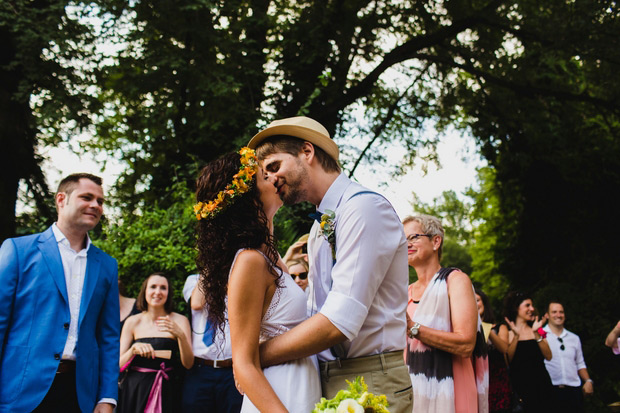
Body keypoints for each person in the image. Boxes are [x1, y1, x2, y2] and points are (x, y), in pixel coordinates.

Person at [248, 116, 413, 412]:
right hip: (326, 379)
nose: (270, 179)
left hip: (370, 380)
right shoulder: (319, 226)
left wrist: (251, 358)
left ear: (307, 152)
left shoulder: (364, 208)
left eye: (274, 166)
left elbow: (339, 321)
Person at [194, 148, 321, 412]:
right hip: (277, 393)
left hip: (302, 382)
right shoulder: (250, 261)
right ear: (249, 199)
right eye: (265, 176)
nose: (275, 178)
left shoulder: (271, 257)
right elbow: (243, 365)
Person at [0, 173, 119, 413]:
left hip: (79, 395)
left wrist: (107, 397)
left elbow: (108, 338)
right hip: (20, 392)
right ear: (61, 199)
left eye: (100, 201)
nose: (96, 205)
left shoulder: (107, 265)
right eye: (87, 197)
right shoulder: (18, 250)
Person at [404, 214, 488, 413]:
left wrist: (413, 328)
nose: (407, 244)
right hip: (414, 392)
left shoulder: (456, 281)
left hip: (453, 391)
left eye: (413, 237)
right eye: (402, 239)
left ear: (436, 241)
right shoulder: (404, 292)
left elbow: (466, 344)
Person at [118, 272, 193, 412]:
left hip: (166, 389)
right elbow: (118, 365)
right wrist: (133, 350)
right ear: (145, 291)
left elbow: (188, 364)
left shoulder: (180, 320)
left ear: (168, 293)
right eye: (153, 287)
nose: (157, 292)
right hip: (136, 389)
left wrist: (180, 335)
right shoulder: (133, 321)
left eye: (163, 288)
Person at [181, 274, 242, 413]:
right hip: (201, 368)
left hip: (231, 369)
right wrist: (210, 267)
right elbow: (196, 304)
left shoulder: (237, 278)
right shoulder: (194, 279)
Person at [500, 291, 553, 413]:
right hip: (520, 389)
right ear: (516, 308)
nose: (532, 309)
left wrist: (536, 334)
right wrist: (517, 337)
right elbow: (507, 361)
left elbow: (549, 356)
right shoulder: (508, 333)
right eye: (527, 305)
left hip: (542, 386)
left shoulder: (539, 330)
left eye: (532, 305)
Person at [543, 301, 593, 412]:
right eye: (554, 312)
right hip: (550, 390)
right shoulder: (540, 335)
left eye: (561, 312)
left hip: (573, 390)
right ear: (547, 315)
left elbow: (580, 363)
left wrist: (588, 381)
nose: (558, 315)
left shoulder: (574, 338)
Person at [475, 288, 510, 413]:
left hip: (498, 380)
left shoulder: (500, 327)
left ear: (484, 303)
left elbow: (504, 349)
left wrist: (485, 326)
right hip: (477, 380)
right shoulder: (467, 331)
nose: (474, 303)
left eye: (477, 300)